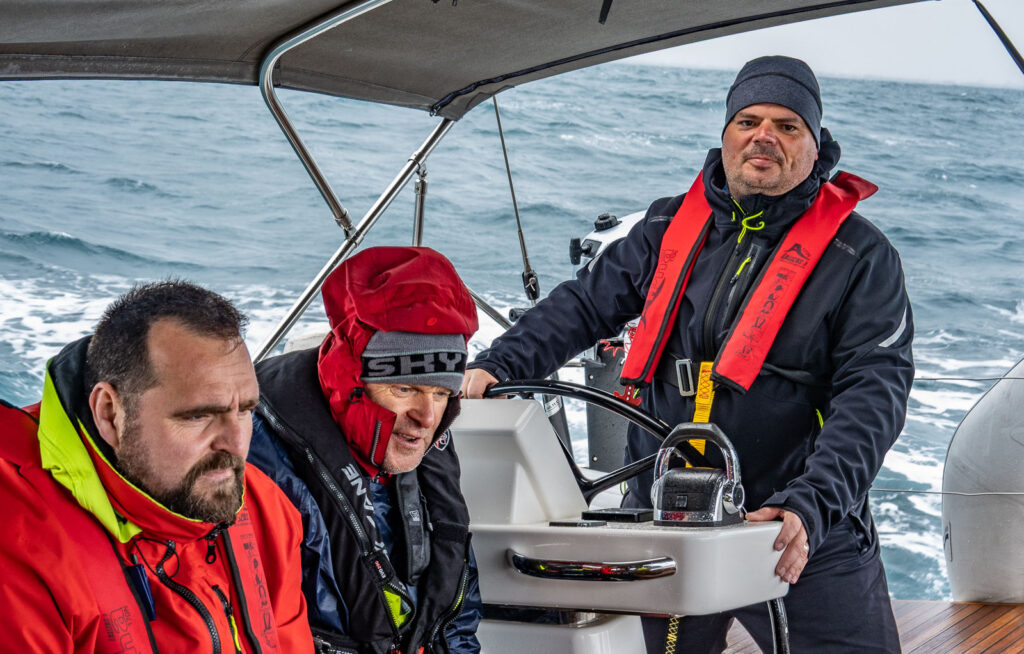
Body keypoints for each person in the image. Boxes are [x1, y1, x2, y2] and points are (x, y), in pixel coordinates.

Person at [463, 56, 913, 653]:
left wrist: (813, 503)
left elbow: (874, 395)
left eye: (787, 126)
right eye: (748, 121)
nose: (764, 137)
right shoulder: (666, 225)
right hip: (665, 513)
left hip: (792, 525)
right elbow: (583, 306)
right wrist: (497, 365)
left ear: (815, 144)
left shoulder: (861, 257)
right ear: (726, 134)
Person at [0, 281, 314, 652]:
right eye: (199, 416)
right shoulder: (19, 544)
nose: (236, 444)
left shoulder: (265, 509)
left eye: (245, 410)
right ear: (110, 413)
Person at [248, 246, 483, 654]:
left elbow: (455, 623)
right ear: (351, 382)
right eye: (404, 389)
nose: (427, 417)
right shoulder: (263, 465)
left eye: (441, 393)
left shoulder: (424, 448)